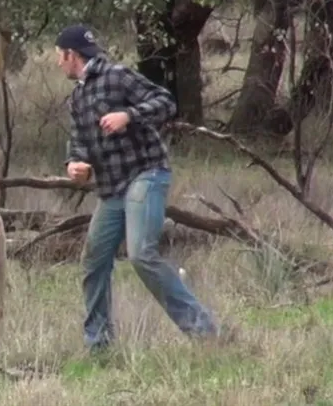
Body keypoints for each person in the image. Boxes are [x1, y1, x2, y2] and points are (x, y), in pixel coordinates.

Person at [55, 24, 222, 352]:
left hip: (146, 174)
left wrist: (128, 115)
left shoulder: (117, 76)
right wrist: (74, 164)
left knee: (141, 253)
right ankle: (99, 345)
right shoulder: (76, 97)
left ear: (70, 55)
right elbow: (78, 145)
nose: (57, 63)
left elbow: (165, 102)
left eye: (58, 57)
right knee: (94, 260)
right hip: (112, 188)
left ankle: (204, 332)